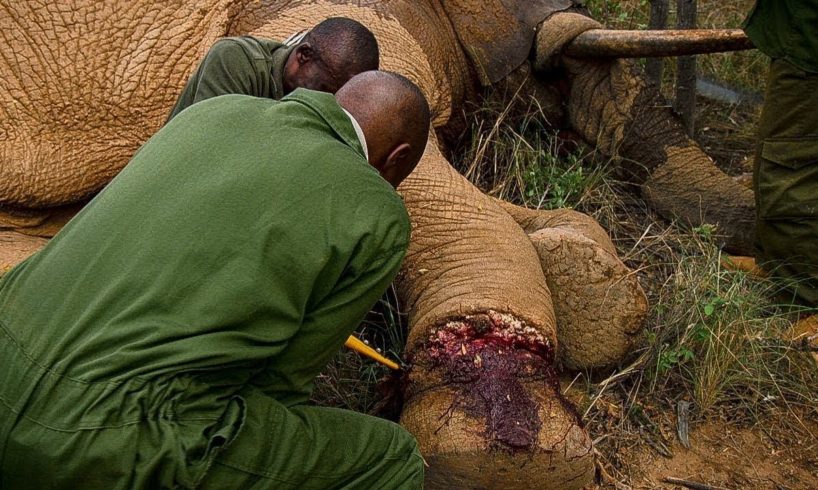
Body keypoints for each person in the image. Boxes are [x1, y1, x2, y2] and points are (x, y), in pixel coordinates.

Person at [0, 70, 431, 489]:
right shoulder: (377, 212)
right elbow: (278, 387)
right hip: (99, 439)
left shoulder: (214, 110)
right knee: (392, 458)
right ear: (397, 158)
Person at [743, 0, 818, 305]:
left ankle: (805, 297)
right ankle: (776, 264)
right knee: (772, 153)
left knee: (791, 169)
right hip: (798, 36)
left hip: (809, 42)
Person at [166, 16, 380, 121]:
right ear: (303, 55)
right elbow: (207, 145)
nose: (326, 104)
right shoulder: (237, 59)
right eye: (325, 89)